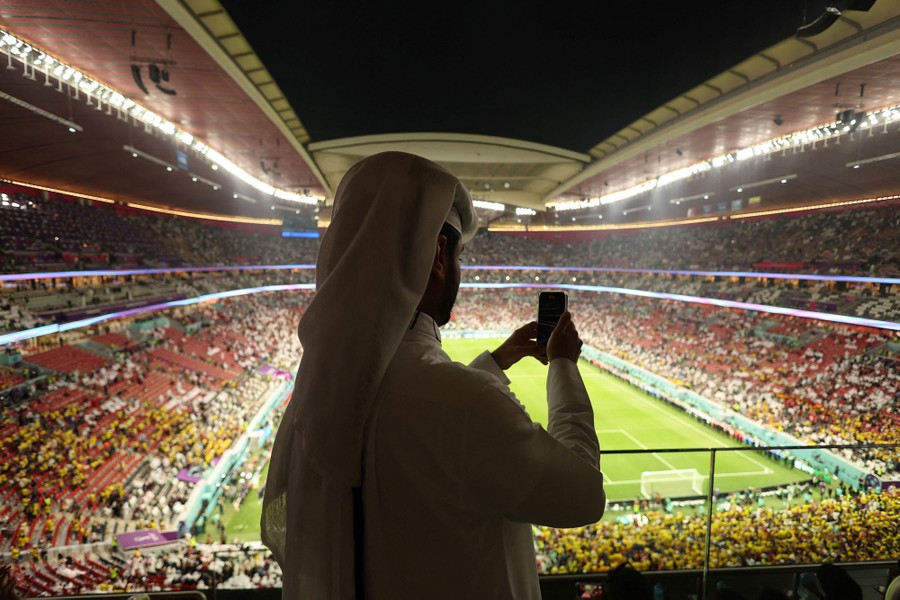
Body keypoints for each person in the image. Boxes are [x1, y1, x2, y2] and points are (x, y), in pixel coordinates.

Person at [262, 151, 605, 598]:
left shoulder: (319, 395)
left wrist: (493, 364)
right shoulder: (461, 403)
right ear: (439, 254)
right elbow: (582, 494)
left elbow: (408, 401)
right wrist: (563, 366)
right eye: (459, 253)